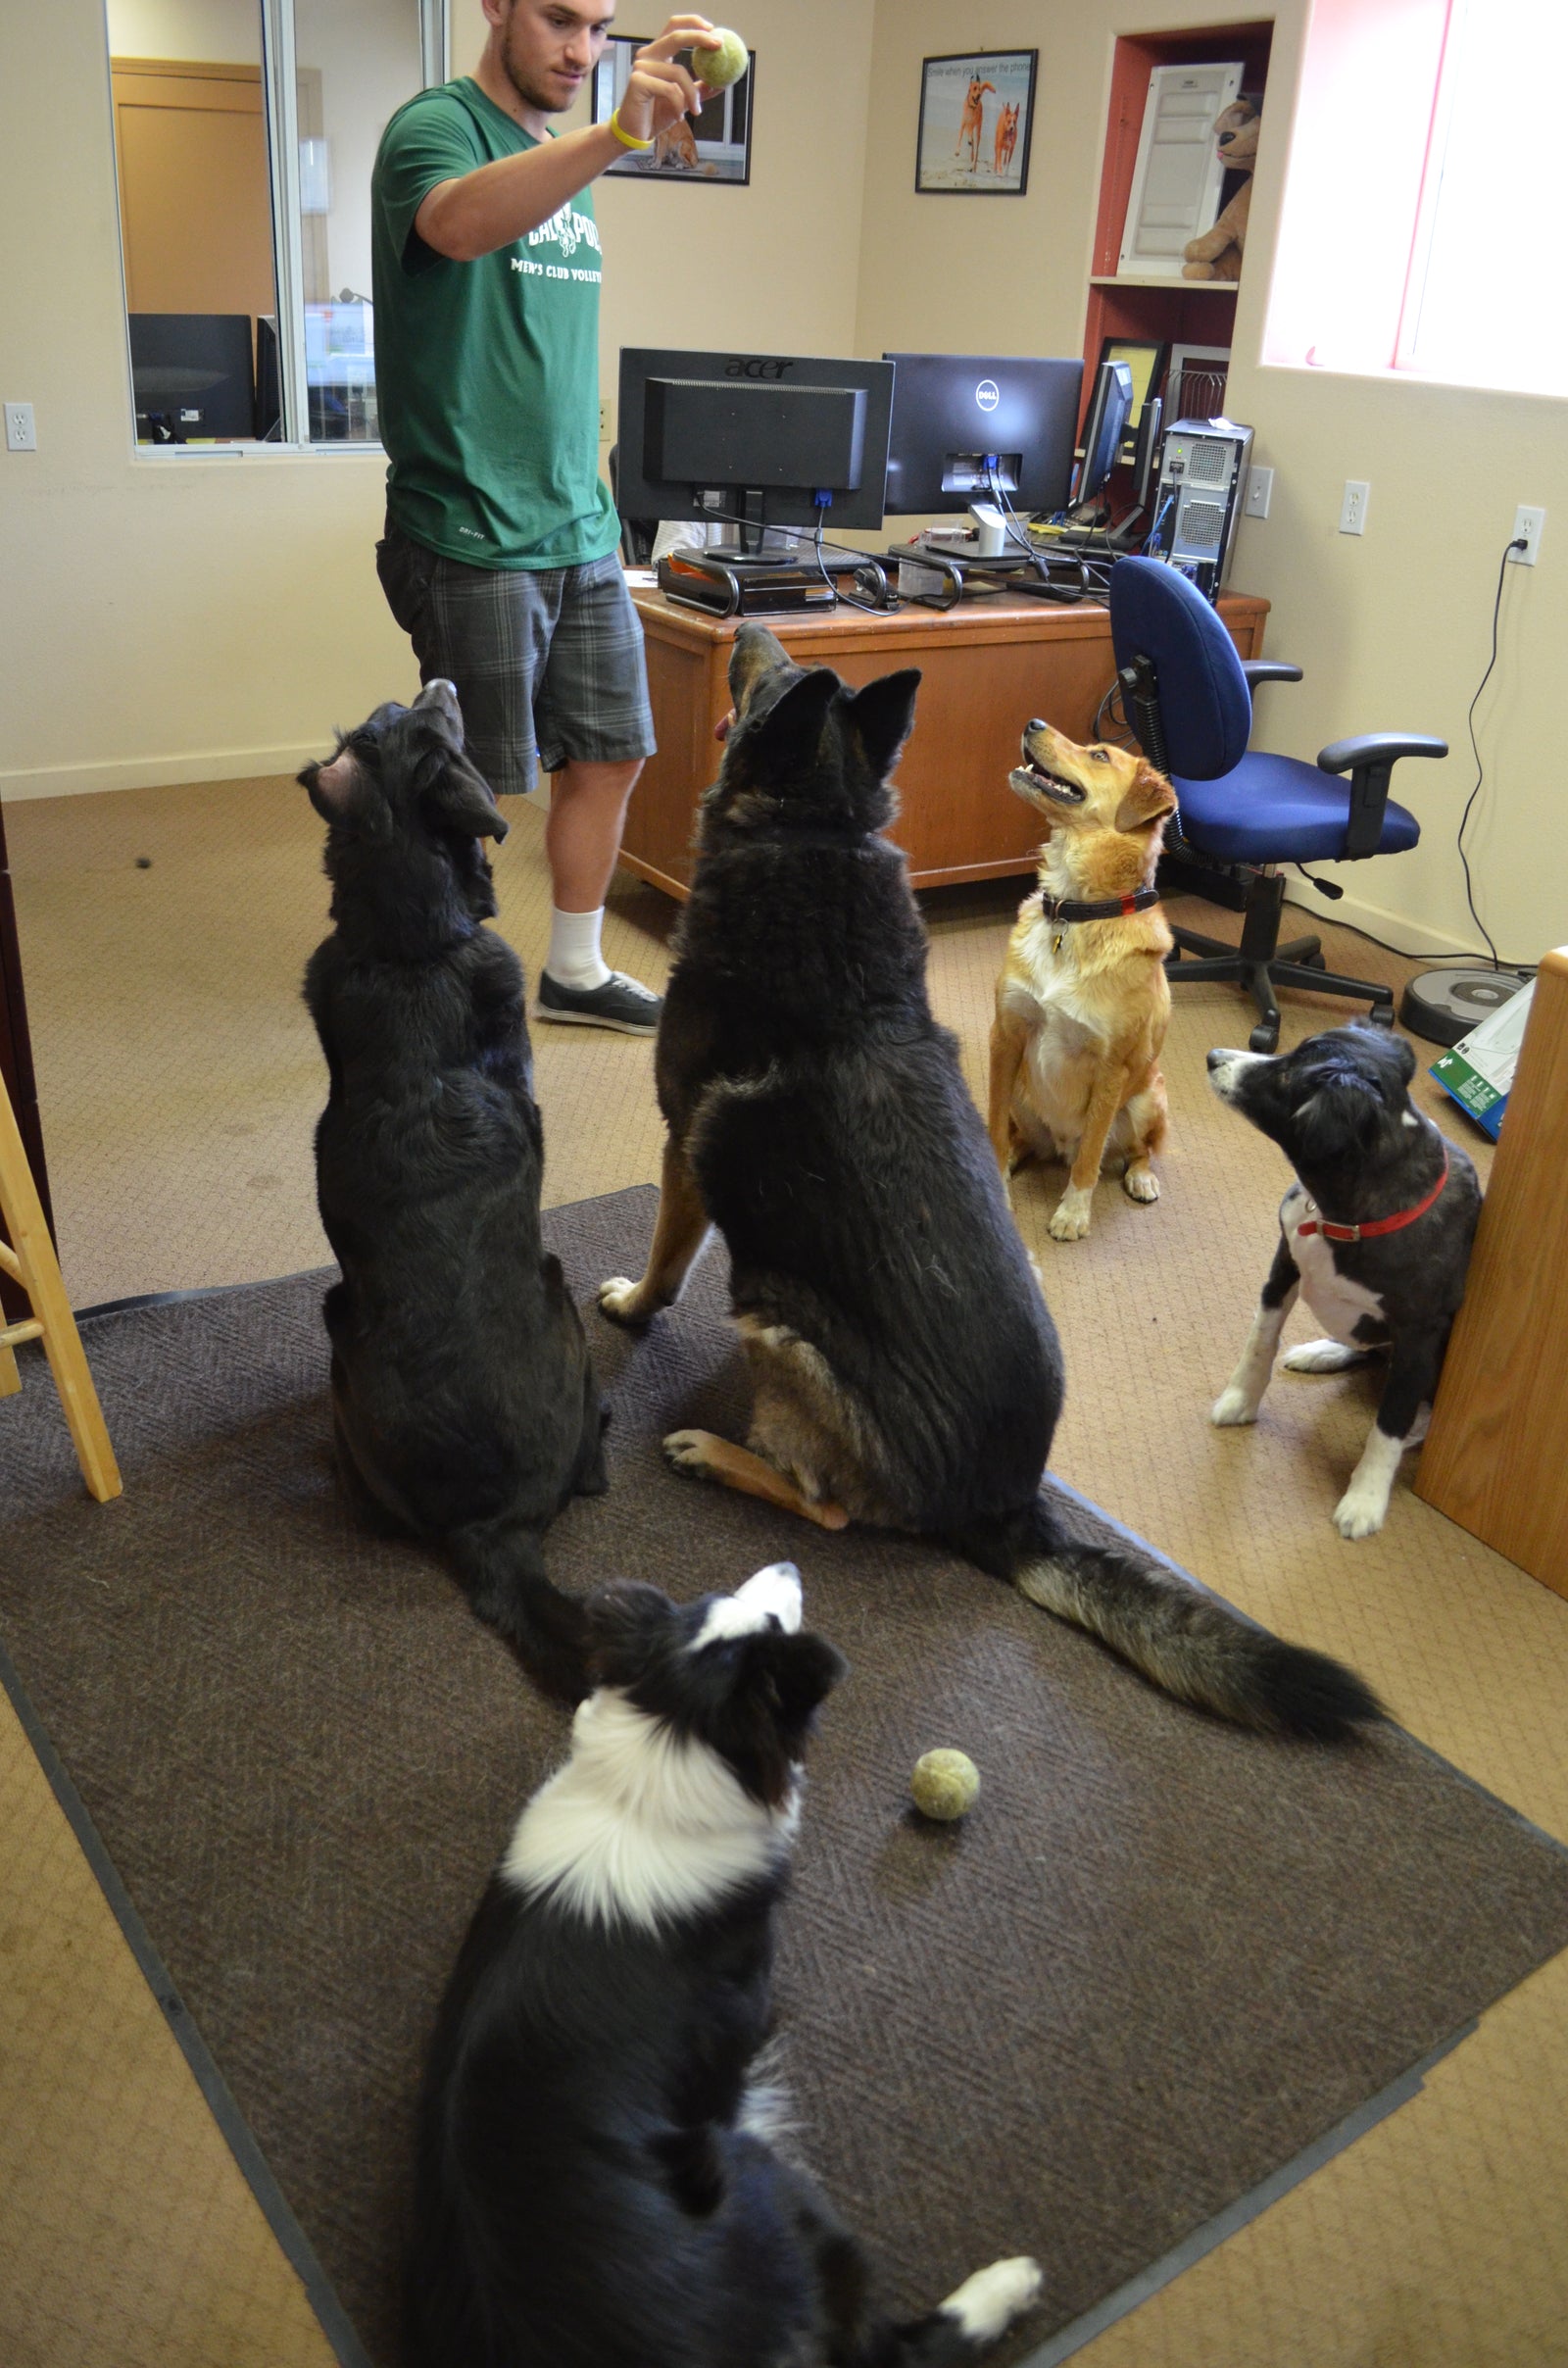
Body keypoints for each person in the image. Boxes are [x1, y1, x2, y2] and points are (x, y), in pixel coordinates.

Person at [371, 3, 722, 1035]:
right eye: (558, 20)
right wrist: (616, 134)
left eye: (601, 27)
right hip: (468, 526)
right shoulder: (433, 128)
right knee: (468, 790)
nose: (582, 50)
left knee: (612, 754)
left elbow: (544, 348)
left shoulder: (562, 158)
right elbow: (456, 225)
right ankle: (437, 985)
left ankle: (573, 969)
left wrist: (601, 496)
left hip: (581, 524)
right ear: (495, 7)